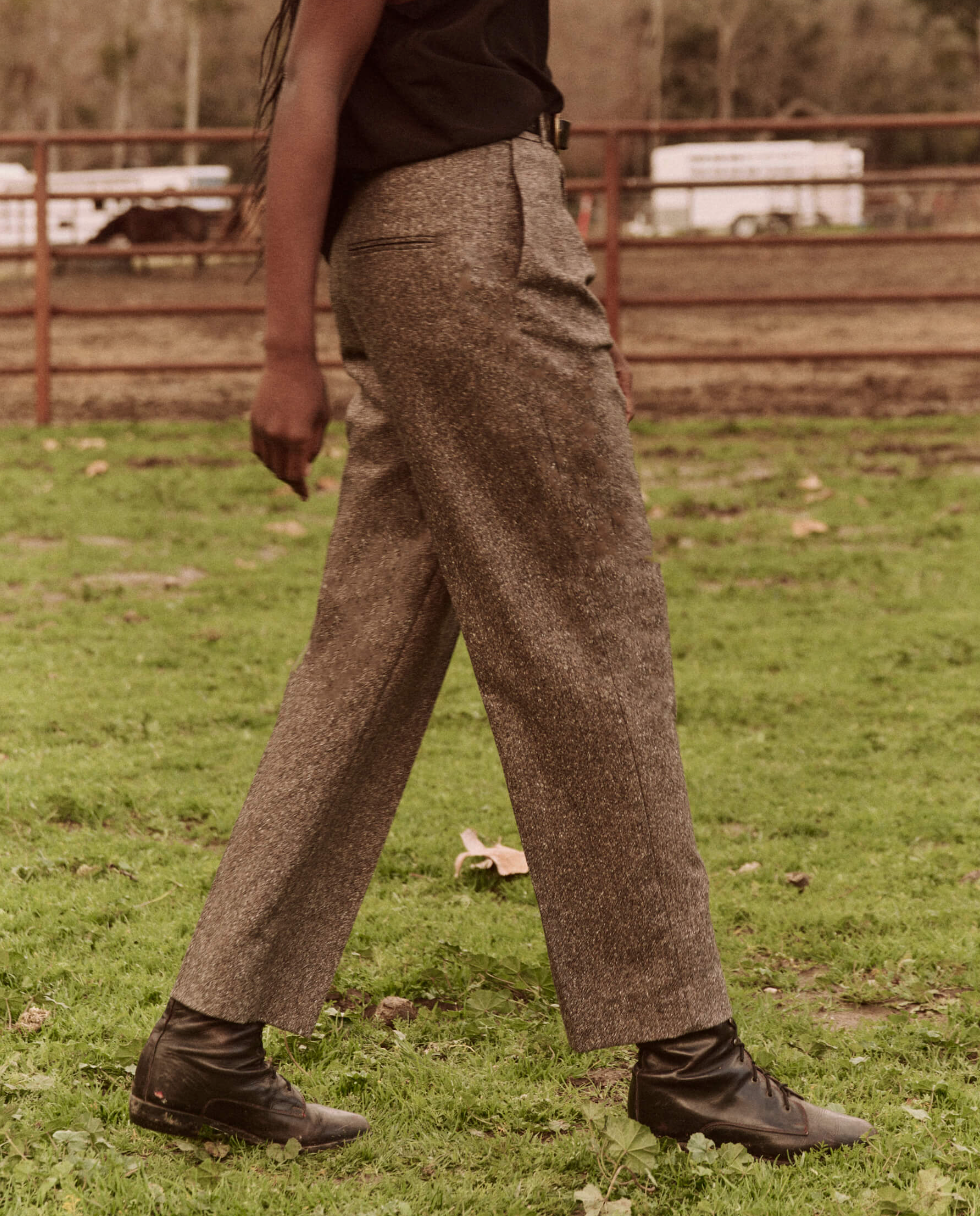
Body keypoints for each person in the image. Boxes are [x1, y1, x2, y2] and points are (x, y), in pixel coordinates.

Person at [129, 0, 874, 1162]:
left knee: (368, 652)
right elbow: (310, 87)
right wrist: (282, 349)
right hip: (466, 237)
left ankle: (206, 1038)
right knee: (590, 628)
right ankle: (687, 1053)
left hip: (446, 243)